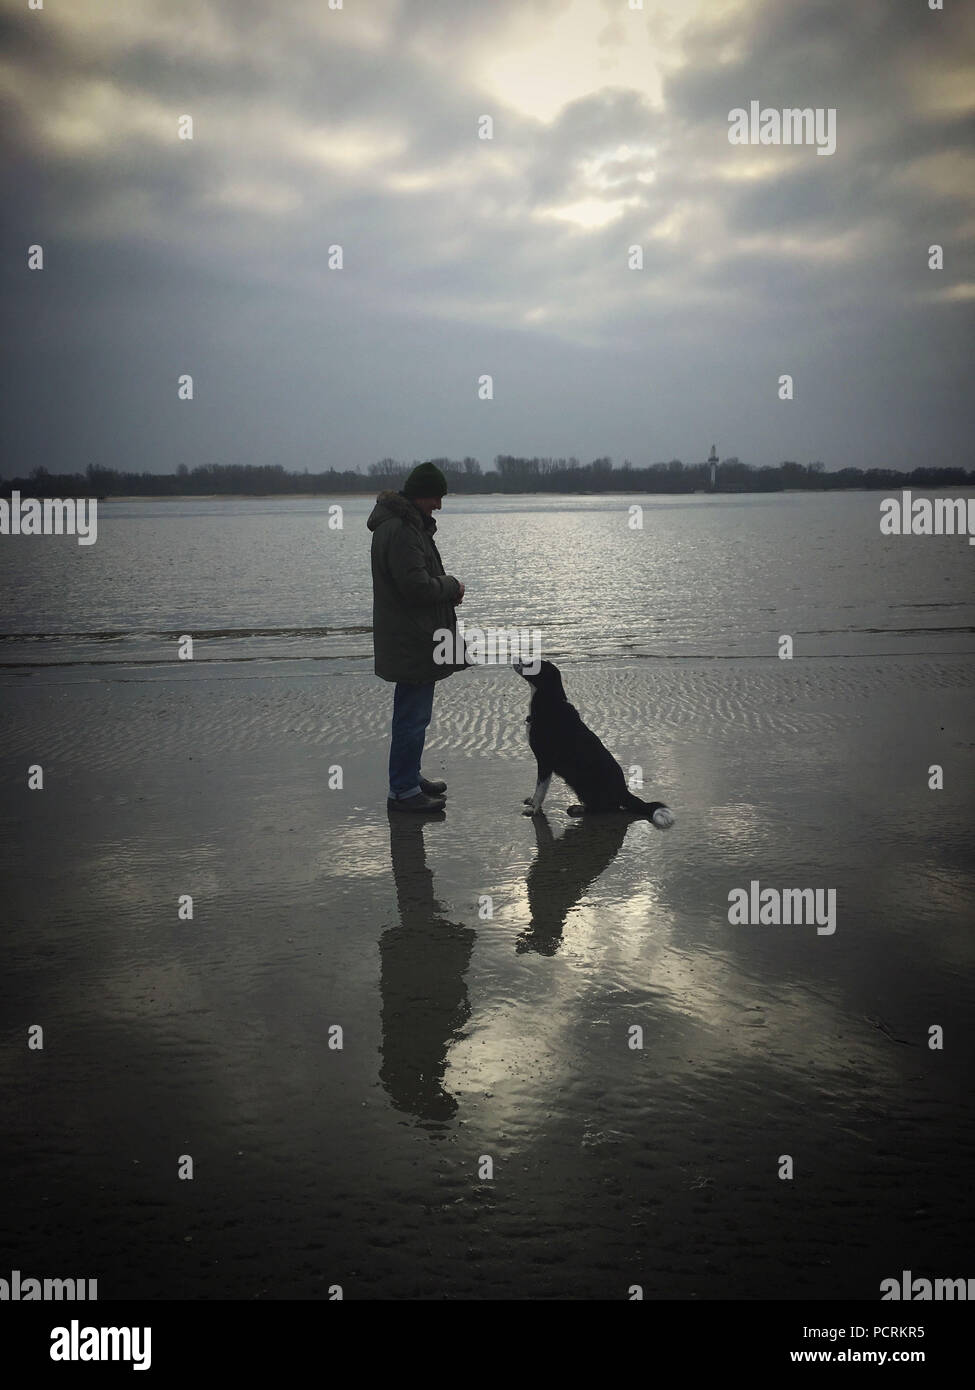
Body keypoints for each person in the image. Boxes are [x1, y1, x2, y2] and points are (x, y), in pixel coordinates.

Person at [367, 462, 467, 812]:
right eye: (436, 498)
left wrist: (445, 593)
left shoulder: (402, 526)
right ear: (421, 495)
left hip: (411, 635)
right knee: (412, 717)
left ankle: (407, 776)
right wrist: (451, 585)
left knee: (411, 715)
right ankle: (403, 790)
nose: (439, 505)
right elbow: (415, 587)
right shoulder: (402, 530)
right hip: (413, 638)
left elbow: (417, 583)